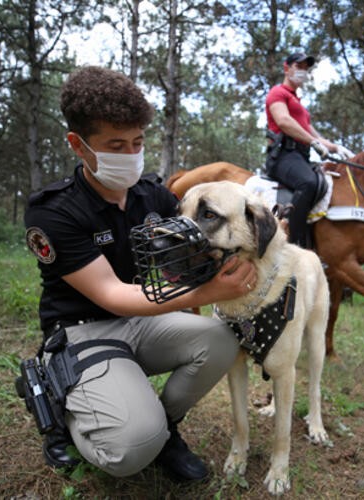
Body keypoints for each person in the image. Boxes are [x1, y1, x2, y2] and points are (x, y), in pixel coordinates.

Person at [22, 66, 257, 482]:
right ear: (78, 144)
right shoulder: (54, 211)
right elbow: (112, 295)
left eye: (137, 142)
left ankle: (163, 430)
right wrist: (202, 295)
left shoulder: (153, 195)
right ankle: (65, 410)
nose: (130, 154)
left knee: (221, 340)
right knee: (129, 451)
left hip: (145, 320)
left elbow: (194, 250)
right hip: (84, 329)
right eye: (115, 144)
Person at [265, 52, 350, 248]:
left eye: (306, 68)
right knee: (308, 183)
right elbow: (283, 121)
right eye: (298, 66)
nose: (303, 71)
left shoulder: (300, 106)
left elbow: (313, 134)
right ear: (287, 68)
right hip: (283, 156)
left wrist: (336, 147)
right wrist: (313, 142)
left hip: (300, 157)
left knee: (324, 180)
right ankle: (291, 242)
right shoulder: (278, 93)